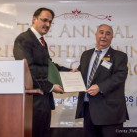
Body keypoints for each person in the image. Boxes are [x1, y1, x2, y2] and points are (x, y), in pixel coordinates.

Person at [13, 7, 70, 137]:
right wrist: (51, 87)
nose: (48, 25)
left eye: (50, 22)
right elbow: (28, 69)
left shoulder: (41, 41)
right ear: (34, 19)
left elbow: (49, 66)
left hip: (43, 101)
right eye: (44, 20)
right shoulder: (24, 39)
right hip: (32, 102)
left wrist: (69, 71)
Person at [75, 24, 129, 137]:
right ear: (96, 35)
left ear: (112, 37)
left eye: (108, 33)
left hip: (110, 113)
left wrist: (100, 87)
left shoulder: (120, 56)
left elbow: (120, 76)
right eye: (101, 32)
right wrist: (71, 77)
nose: (104, 36)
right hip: (89, 110)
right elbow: (81, 74)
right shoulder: (86, 55)